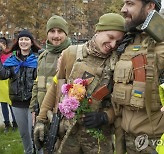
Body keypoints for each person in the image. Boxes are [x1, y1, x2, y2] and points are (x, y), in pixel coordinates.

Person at [34, 13, 125, 154]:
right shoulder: (71, 54)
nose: (112, 45)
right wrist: (41, 120)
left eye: (118, 42)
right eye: (110, 37)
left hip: (98, 140)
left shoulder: (117, 64)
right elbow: (56, 87)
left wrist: (106, 117)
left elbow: (120, 104)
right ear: (98, 31)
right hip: (67, 134)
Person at [112, 0, 164, 153]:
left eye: (130, 4)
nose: (123, 9)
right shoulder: (127, 41)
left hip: (154, 142)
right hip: (126, 139)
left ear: (150, 6)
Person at [0, 29, 42, 154]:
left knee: (35, 134)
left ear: (31, 43)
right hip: (17, 104)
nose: (23, 42)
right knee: (24, 134)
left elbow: (42, 79)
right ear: (18, 42)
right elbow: (3, 75)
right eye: (21, 39)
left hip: (33, 104)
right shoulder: (12, 60)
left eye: (26, 39)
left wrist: (44, 58)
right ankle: (28, 152)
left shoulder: (37, 60)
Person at [29, 15, 71, 124]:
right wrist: (34, 108)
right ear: (47, 33)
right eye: (52, 31)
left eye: (60, 31)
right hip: (42, 111)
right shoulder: (43, 56)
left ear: (66, 34)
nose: (56, 36)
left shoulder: (72, 54)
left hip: (62, 113)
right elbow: (37, 83)